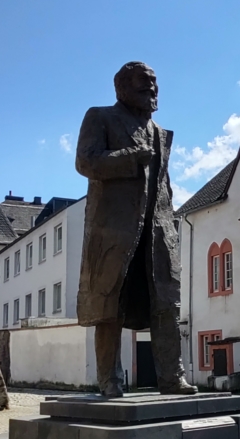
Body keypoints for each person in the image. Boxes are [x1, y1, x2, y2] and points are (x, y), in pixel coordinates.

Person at [74, 61, 196, 397]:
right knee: (109, 305)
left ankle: (172, 377)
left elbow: (163, 184)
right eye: (145, 83)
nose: (153, 89)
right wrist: (129, 157)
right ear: (122, 87)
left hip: (157, 232)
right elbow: (86, 161)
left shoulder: (158, 132)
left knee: (166, 303)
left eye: (155, 83)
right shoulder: (100, 117)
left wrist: (169, 226)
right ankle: (110, 380)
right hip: (115, 231)